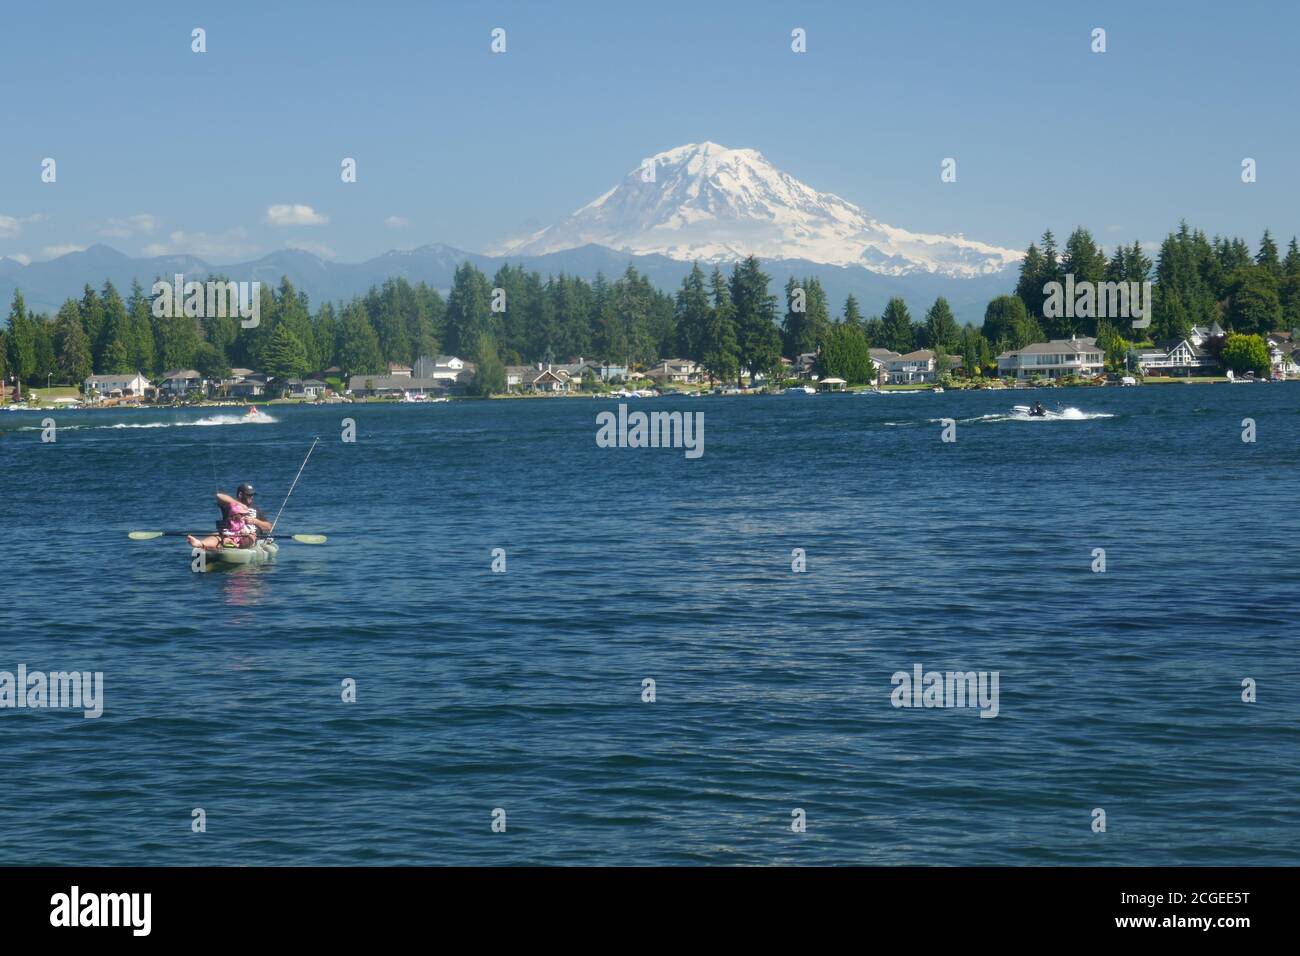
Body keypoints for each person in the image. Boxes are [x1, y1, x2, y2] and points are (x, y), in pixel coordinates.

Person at [187, 484, 273, 550]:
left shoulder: (255, 508)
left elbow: (269, 526)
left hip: (248, 536)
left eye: (252, 495)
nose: (252, 497)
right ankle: (200, 543)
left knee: (248, 538)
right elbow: (219, 495)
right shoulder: (230, 505)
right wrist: (239, 504)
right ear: (240, 494)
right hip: (229, 533)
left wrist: (255, 521)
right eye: (249, 495)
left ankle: (235, 547)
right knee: (217, 536)